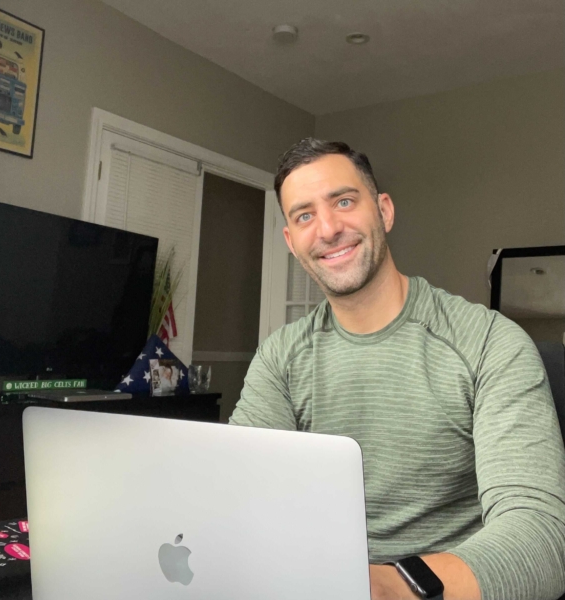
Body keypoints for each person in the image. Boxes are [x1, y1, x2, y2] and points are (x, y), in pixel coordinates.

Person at [229, 138, 565, 600]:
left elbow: (539, 539)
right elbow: (244, 496)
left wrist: (388, 586)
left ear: (383, 211)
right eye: (304, 215)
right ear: (291, 241)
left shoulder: (489, 343)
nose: (327, 228)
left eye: (344, 201)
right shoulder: (279, 358)